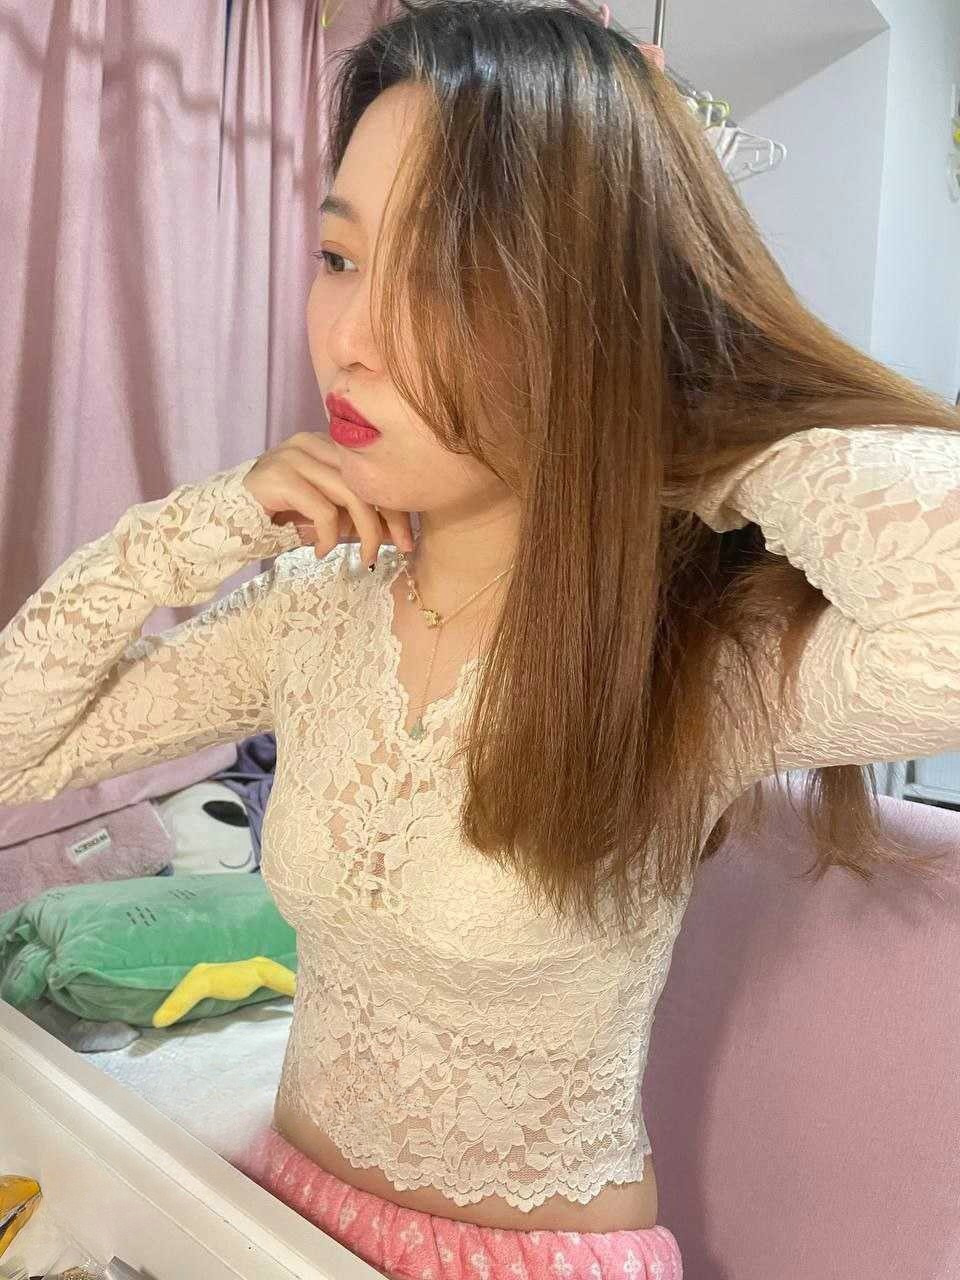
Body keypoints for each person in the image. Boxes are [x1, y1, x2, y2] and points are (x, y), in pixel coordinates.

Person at [2, 2, 959, 1277]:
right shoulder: (315, 603)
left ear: (594, 318)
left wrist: (684, 420)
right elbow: (17, 746)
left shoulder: (692, 650)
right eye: (340, 256)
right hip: (278, 1218)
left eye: (446, 278)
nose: (350, 338)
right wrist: (204, 526)